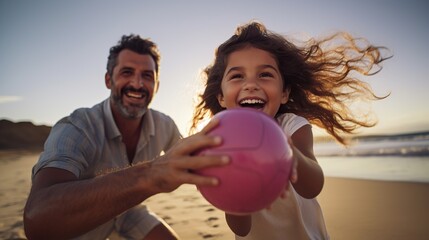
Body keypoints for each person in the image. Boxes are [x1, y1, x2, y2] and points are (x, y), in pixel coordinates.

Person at [190, 21, 390, 239]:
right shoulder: (219, 143)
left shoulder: (292, 126)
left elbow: (313, 186)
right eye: (237, 76)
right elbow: (241, 228)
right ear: (221, 97)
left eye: (265, 74)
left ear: (284, 93)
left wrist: (289, 154)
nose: (251, 84)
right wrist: (232, 188)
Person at [23, 34, 230, 240]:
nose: (137, 84)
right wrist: (150, 175)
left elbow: (193, 161)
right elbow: (37, 221)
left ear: (156, 86)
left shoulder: (164, 125)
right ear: (108, 80)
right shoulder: (78, 126)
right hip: (80, 224)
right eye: (127, 72)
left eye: (148, 76)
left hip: (128, 212)